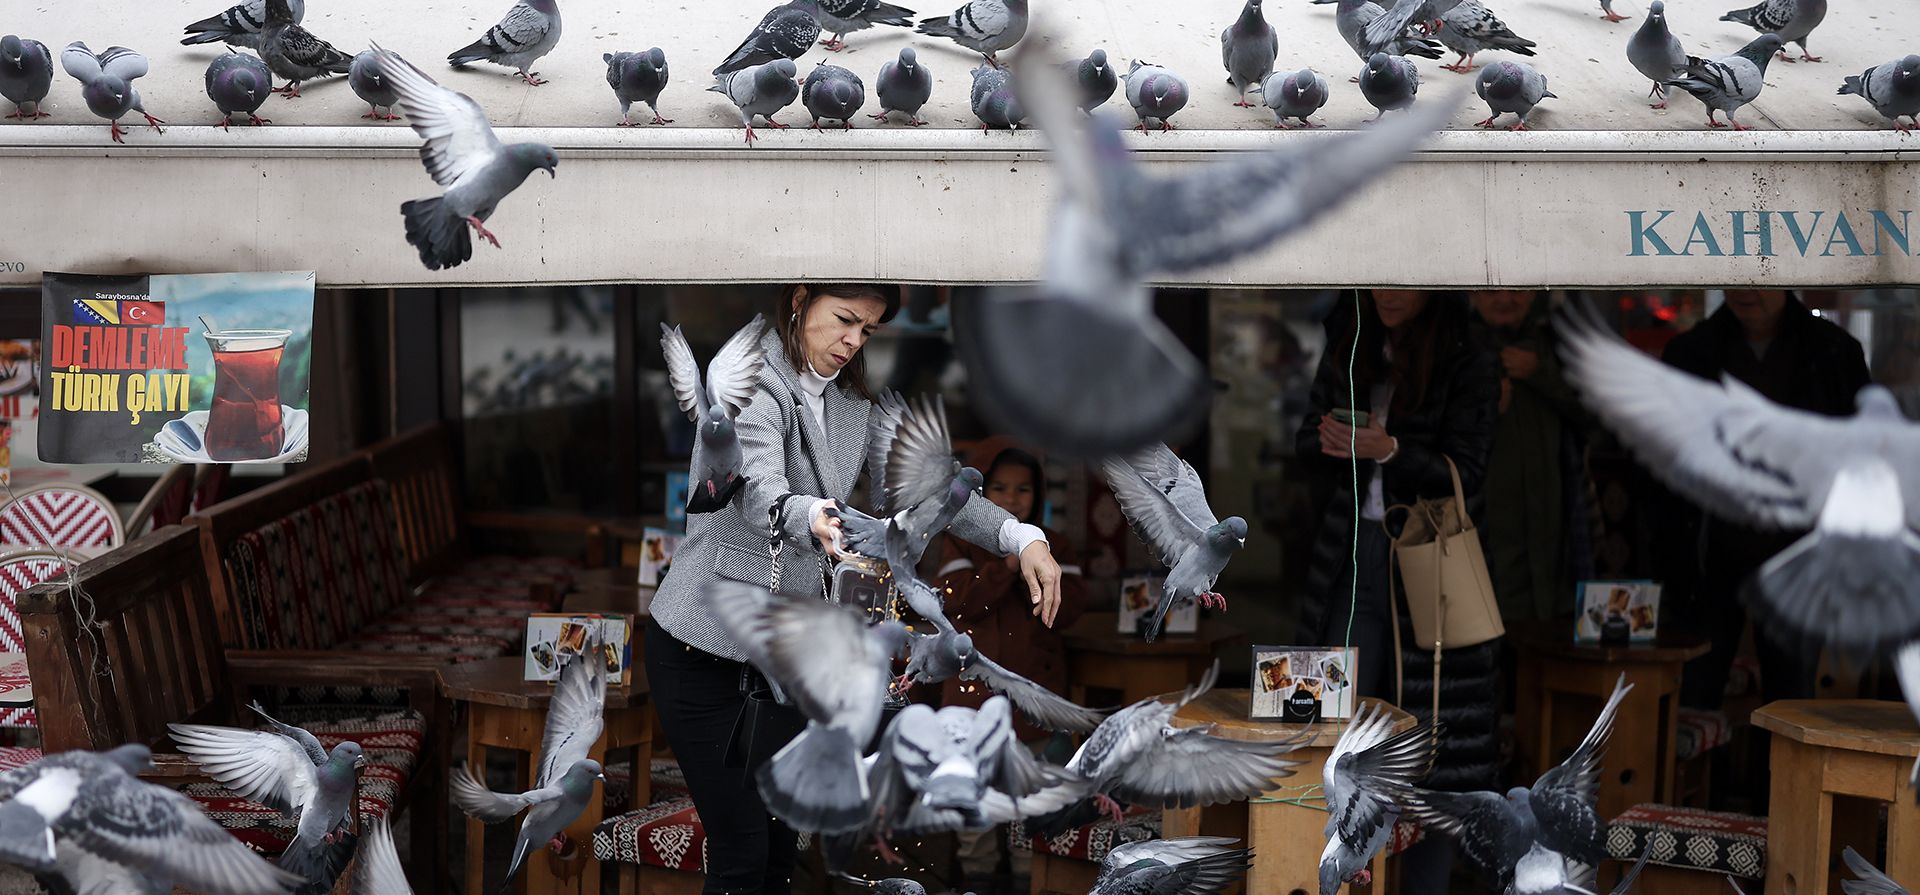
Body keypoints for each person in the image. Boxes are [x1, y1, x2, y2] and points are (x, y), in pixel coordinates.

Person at [645, 284, 1067, 895]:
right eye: (844, 320)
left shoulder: (851, 404)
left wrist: (1018, 533)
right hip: (701, 653)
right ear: (800, 301)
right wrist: (807, 512)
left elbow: (933, 487)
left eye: (867, 331)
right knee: (741, 850)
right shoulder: (753, 385)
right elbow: (755, 483)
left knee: (780, 851)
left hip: (787, 667)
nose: (852, 341)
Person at [1294, 291, 1499, 895]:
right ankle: (1332, 873)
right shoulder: (1349, 345)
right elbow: (1305, 440)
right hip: (1351, 553)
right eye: (1381, 279)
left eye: (1405, 281)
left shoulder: (1466, 357)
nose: (1390, 293)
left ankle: (1423, 885)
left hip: (1427, 562)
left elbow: (1471, 469)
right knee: (1336, 722)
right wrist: (1330, 440)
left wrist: (1392, 451)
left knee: (1431, 738)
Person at [1658, 291, 1871, 712]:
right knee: (1693, 694)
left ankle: (1782, 781)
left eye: (1760, 276)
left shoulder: (1834, 352)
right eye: (1735, 276)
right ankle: (1707, 780)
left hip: (1798, 555)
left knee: (1792, 705)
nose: (1745, 289)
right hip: (1708, 552)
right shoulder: (1690, 351)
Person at [932, 439, 1090, 895]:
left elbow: (1072, 608)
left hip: (1033, 704)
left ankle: (1025, 883)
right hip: (972, 704)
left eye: (1023, 490)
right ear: (980, 495)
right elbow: (957, 604)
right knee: (975, 822)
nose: (1011, 499)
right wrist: (1007, 564)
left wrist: (1032, 565)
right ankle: (977, 883)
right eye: (998, 488)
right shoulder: (958, 542)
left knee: (1029, 818)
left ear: (1038, 495)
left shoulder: (1052, 546)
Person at [1469, 291, 1591, 624]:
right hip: (1480, 539)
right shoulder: (1455, 347)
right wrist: (1486, 410)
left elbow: (1599, 422)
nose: (1505, 299)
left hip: (1555, 543)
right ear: (1471, 292)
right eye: (1492, 290)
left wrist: (1540, 374)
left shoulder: (1559, 346)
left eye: (1517, 287)